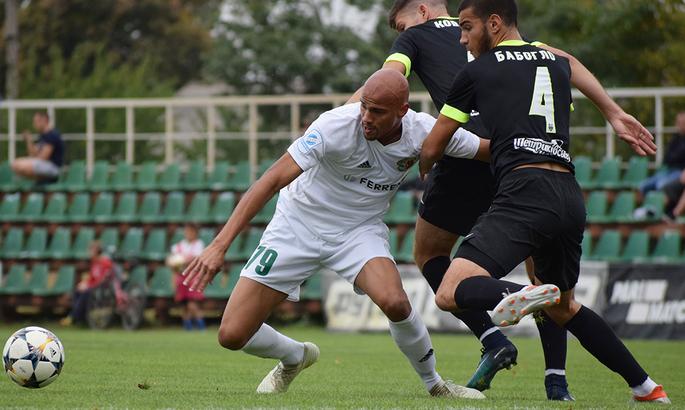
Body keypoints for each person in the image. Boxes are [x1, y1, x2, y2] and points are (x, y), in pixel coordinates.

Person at [349, 0, 655, 399]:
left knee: (430, 256)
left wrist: (346, 118)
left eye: (401, 25)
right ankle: (559, 381)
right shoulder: (537, 52)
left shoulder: (426, 42)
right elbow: (570, 62)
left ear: (422, 11)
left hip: (470, 152)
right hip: (539, 168)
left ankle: (493, 337)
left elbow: (389, 81)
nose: (462, 38)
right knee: (549, 285)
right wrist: (613, 112)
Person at [182, 69, 487, 399]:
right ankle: (295, 356)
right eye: (364, 106)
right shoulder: (334, 126)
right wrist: (219, 245)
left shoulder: (424, 131)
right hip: (298, 223)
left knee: (395, 302)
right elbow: (271, 180)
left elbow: (490, 150)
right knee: (231, 334)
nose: (366, 117)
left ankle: (435, 384)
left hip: (358, 230)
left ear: (402, 111)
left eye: (377, 111)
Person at [61, 241, 124, 326]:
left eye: (91, 250)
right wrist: (84, 283)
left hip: (102, 288)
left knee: (85, 293)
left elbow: (104, 279)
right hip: (93, 286)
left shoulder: (106, 263)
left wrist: (89, 286)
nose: (89, 252)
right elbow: (91, 277)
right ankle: (79, 317)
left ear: (97, 251)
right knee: (77, 291)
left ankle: (73, 316)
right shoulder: (94, 262)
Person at [168, 223, 206, 331]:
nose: (188, 233)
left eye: (191, 231)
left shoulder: (198, 244)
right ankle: (188, 328)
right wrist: (172, 263)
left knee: (192, 304)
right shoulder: (179, 245)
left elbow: (195, 258)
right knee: (183, 305)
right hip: (181, 278)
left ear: (195, 233)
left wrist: (181, 260)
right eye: (187, 231)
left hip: (193, 277)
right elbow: (171, 261)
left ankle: (201, 327)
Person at [11, 111, 65, 183]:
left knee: (19, 165)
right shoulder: (42, 136)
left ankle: (44, 181)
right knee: (15, 164)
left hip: (54, 168)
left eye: (36, 121)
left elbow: (43, 158)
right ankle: (40, 182)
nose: (34, 124)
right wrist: (29, 140)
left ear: (44, 120)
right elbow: (32, 154)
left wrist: (27, 164)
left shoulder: (52, 135)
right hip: (43, 165)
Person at [639, 111, 685, 194]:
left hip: (680, 172)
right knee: (643, 186)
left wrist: (674, 157)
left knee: (661, 185)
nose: (678, 125)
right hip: (669, 170)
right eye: (678, 122)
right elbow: (667, 158)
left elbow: (675, 157)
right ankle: (647, 202)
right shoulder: (675, 138)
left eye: (681, 122)